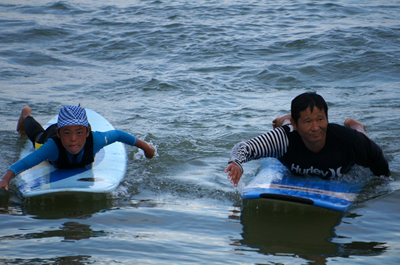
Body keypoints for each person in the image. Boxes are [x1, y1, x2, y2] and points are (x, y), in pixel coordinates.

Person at [225, 92, 390, 187]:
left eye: (320, 119)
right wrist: (236, 163)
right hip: (290, 128)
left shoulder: (348, 141)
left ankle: (355, 125)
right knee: (285, 129)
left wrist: (382, 182)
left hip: (351, 139)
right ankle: (285, 120)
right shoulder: (283, 139)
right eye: (308, 121)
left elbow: (375, 156)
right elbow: (244, 147)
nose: (316, 127)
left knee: (361, 136)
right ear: (296, 124)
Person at [0, 105, 155, 191]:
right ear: (61, 135)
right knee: (35, 134)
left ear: (87, 132)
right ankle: (26, 113)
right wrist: (6, 179)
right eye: (67, 134)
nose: (73, 138)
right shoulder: (52, 147)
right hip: (49, 135)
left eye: (79, 133)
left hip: (63, 129)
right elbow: (27, 162)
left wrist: (146, 147)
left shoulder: (95, 140)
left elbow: (118, 135)